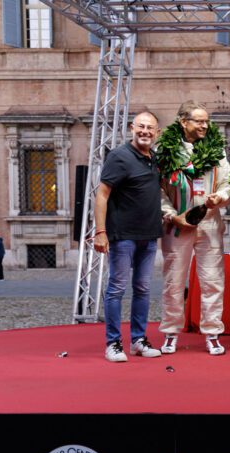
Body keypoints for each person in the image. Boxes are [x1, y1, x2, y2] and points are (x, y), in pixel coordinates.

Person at [158, 101, 230, 356]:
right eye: (199, 121)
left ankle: (212, 333)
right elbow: (157, 190)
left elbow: (228, 184)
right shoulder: (166, 151)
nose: (204, 125)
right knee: (173, 281)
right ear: (183, 122)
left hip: (209, 222)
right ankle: (170, 332)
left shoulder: (216, 150)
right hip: (177, 224)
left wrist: (219, 198)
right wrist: (170, 215)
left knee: (212, 280)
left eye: (206, 121)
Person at [93, 111, 163, 362]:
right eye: (141, 126)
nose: (145, 131)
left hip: (149, 234)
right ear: (132, 128)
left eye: (150, 128)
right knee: (116, 289)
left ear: (157, 133)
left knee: (143, 289)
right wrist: (100, 232)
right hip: (123, 235)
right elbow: (101, 195)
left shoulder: (154, 158)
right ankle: (112, 343)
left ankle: (138, 340)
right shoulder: (119, 156)